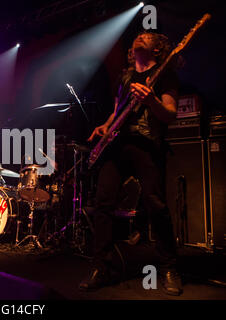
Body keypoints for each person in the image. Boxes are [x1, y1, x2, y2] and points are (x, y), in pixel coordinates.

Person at [79, 32, 182, 295]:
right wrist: (105, 125)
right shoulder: (124, 76)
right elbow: (118, 110)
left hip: (147, 143)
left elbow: (169, 114)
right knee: (103, 203)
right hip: (117, 145)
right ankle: (100, 266)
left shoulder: (165, 73)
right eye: (138, 35)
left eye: (147, 37)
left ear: (157, 49)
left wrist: (152, 101)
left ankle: (170, 267)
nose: (140, 37)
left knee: (155, 204)